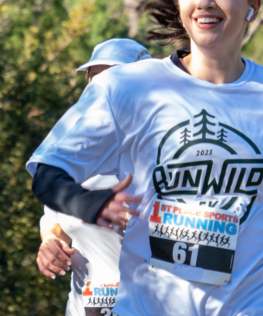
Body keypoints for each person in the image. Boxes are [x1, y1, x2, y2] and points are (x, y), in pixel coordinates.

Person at [28, 0, 263, 315]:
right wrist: (88, 203)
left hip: (255, 305)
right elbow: (48, 171)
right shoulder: (125, 89)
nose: (206, 1)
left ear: (254, 7)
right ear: (181, 5)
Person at [33, 38, 151, 316]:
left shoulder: (163, 153)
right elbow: (56, 225)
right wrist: (51, 245)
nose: (101, 88)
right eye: (94, 78)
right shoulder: (69, 158)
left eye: (113, 78)